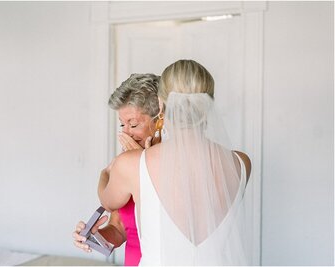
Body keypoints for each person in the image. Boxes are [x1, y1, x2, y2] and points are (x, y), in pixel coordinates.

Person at [98, 59, 252, 265]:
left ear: (161, 105)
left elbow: (107, 202)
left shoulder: (130, 164)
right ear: (209, 104)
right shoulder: (242, 163)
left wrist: (106, 172)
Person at [73, 73, 162, 266]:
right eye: (123, 124)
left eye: (134, 124)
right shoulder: (124, 164)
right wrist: (95, 237)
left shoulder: (177, 161)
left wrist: (139, 164)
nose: (125, 132)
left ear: (159, 120)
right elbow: (119, 228)